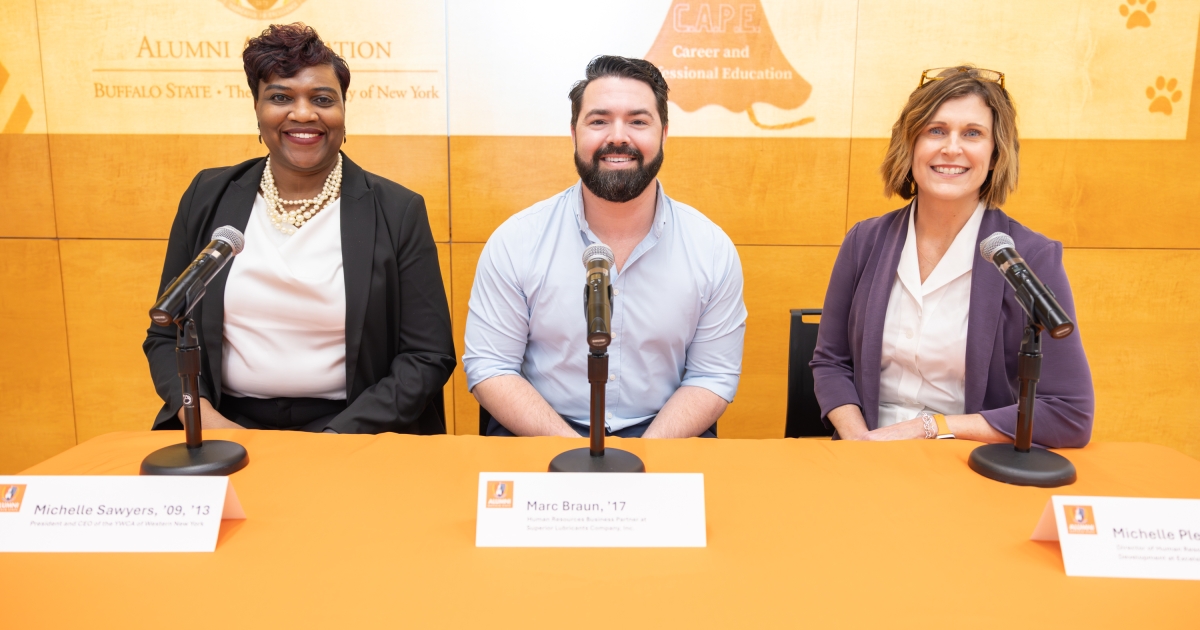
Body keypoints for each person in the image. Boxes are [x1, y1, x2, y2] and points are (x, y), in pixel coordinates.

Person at [144, 23, 455, 434]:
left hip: (355, 425)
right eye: (281, 97)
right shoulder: (208, 195)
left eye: (322, 99)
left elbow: (427, 355)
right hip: (224, 420)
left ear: (343, 112)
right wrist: (207, 420)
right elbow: (165, 334)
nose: (304, 113)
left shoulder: (397, 210)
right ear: (257, 110)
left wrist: (334, 439)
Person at [463, 55, 746, 438]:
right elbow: (491, 366)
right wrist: (572, 452)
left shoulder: (711, 249)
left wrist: (646, 454)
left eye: (638, 122)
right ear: (573, 133)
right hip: (541, 433)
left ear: (664, 134)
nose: (618, 137)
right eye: (599, 121)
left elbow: (712, 375)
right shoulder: (516, 241)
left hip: (664, 436)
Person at [810, 66, 1094, 447]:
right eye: (936, 130)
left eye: (973, 133)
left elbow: (1069, 413)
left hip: (965, 460)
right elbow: (831, 363)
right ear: (910, 145)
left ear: (995, 155)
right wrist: (861, 443)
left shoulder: (1029, 258)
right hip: (864, 452)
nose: (951, 148)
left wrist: (927, 427)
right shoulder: (864, 241)